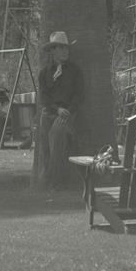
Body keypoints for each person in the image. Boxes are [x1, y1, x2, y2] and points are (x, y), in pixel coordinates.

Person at [37, 31, 84, 190]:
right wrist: (56, 109)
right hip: (51, 111)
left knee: (55, 134)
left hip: (68, 113)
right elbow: (44, 97)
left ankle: (53, 181)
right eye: (61, 48)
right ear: (52, 50)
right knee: (45, 144)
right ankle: (48, 178)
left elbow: (79, 95)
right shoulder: (44, 73)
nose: (65, 52)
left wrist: (67, 110)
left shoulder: (74, 71)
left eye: (67, 49)